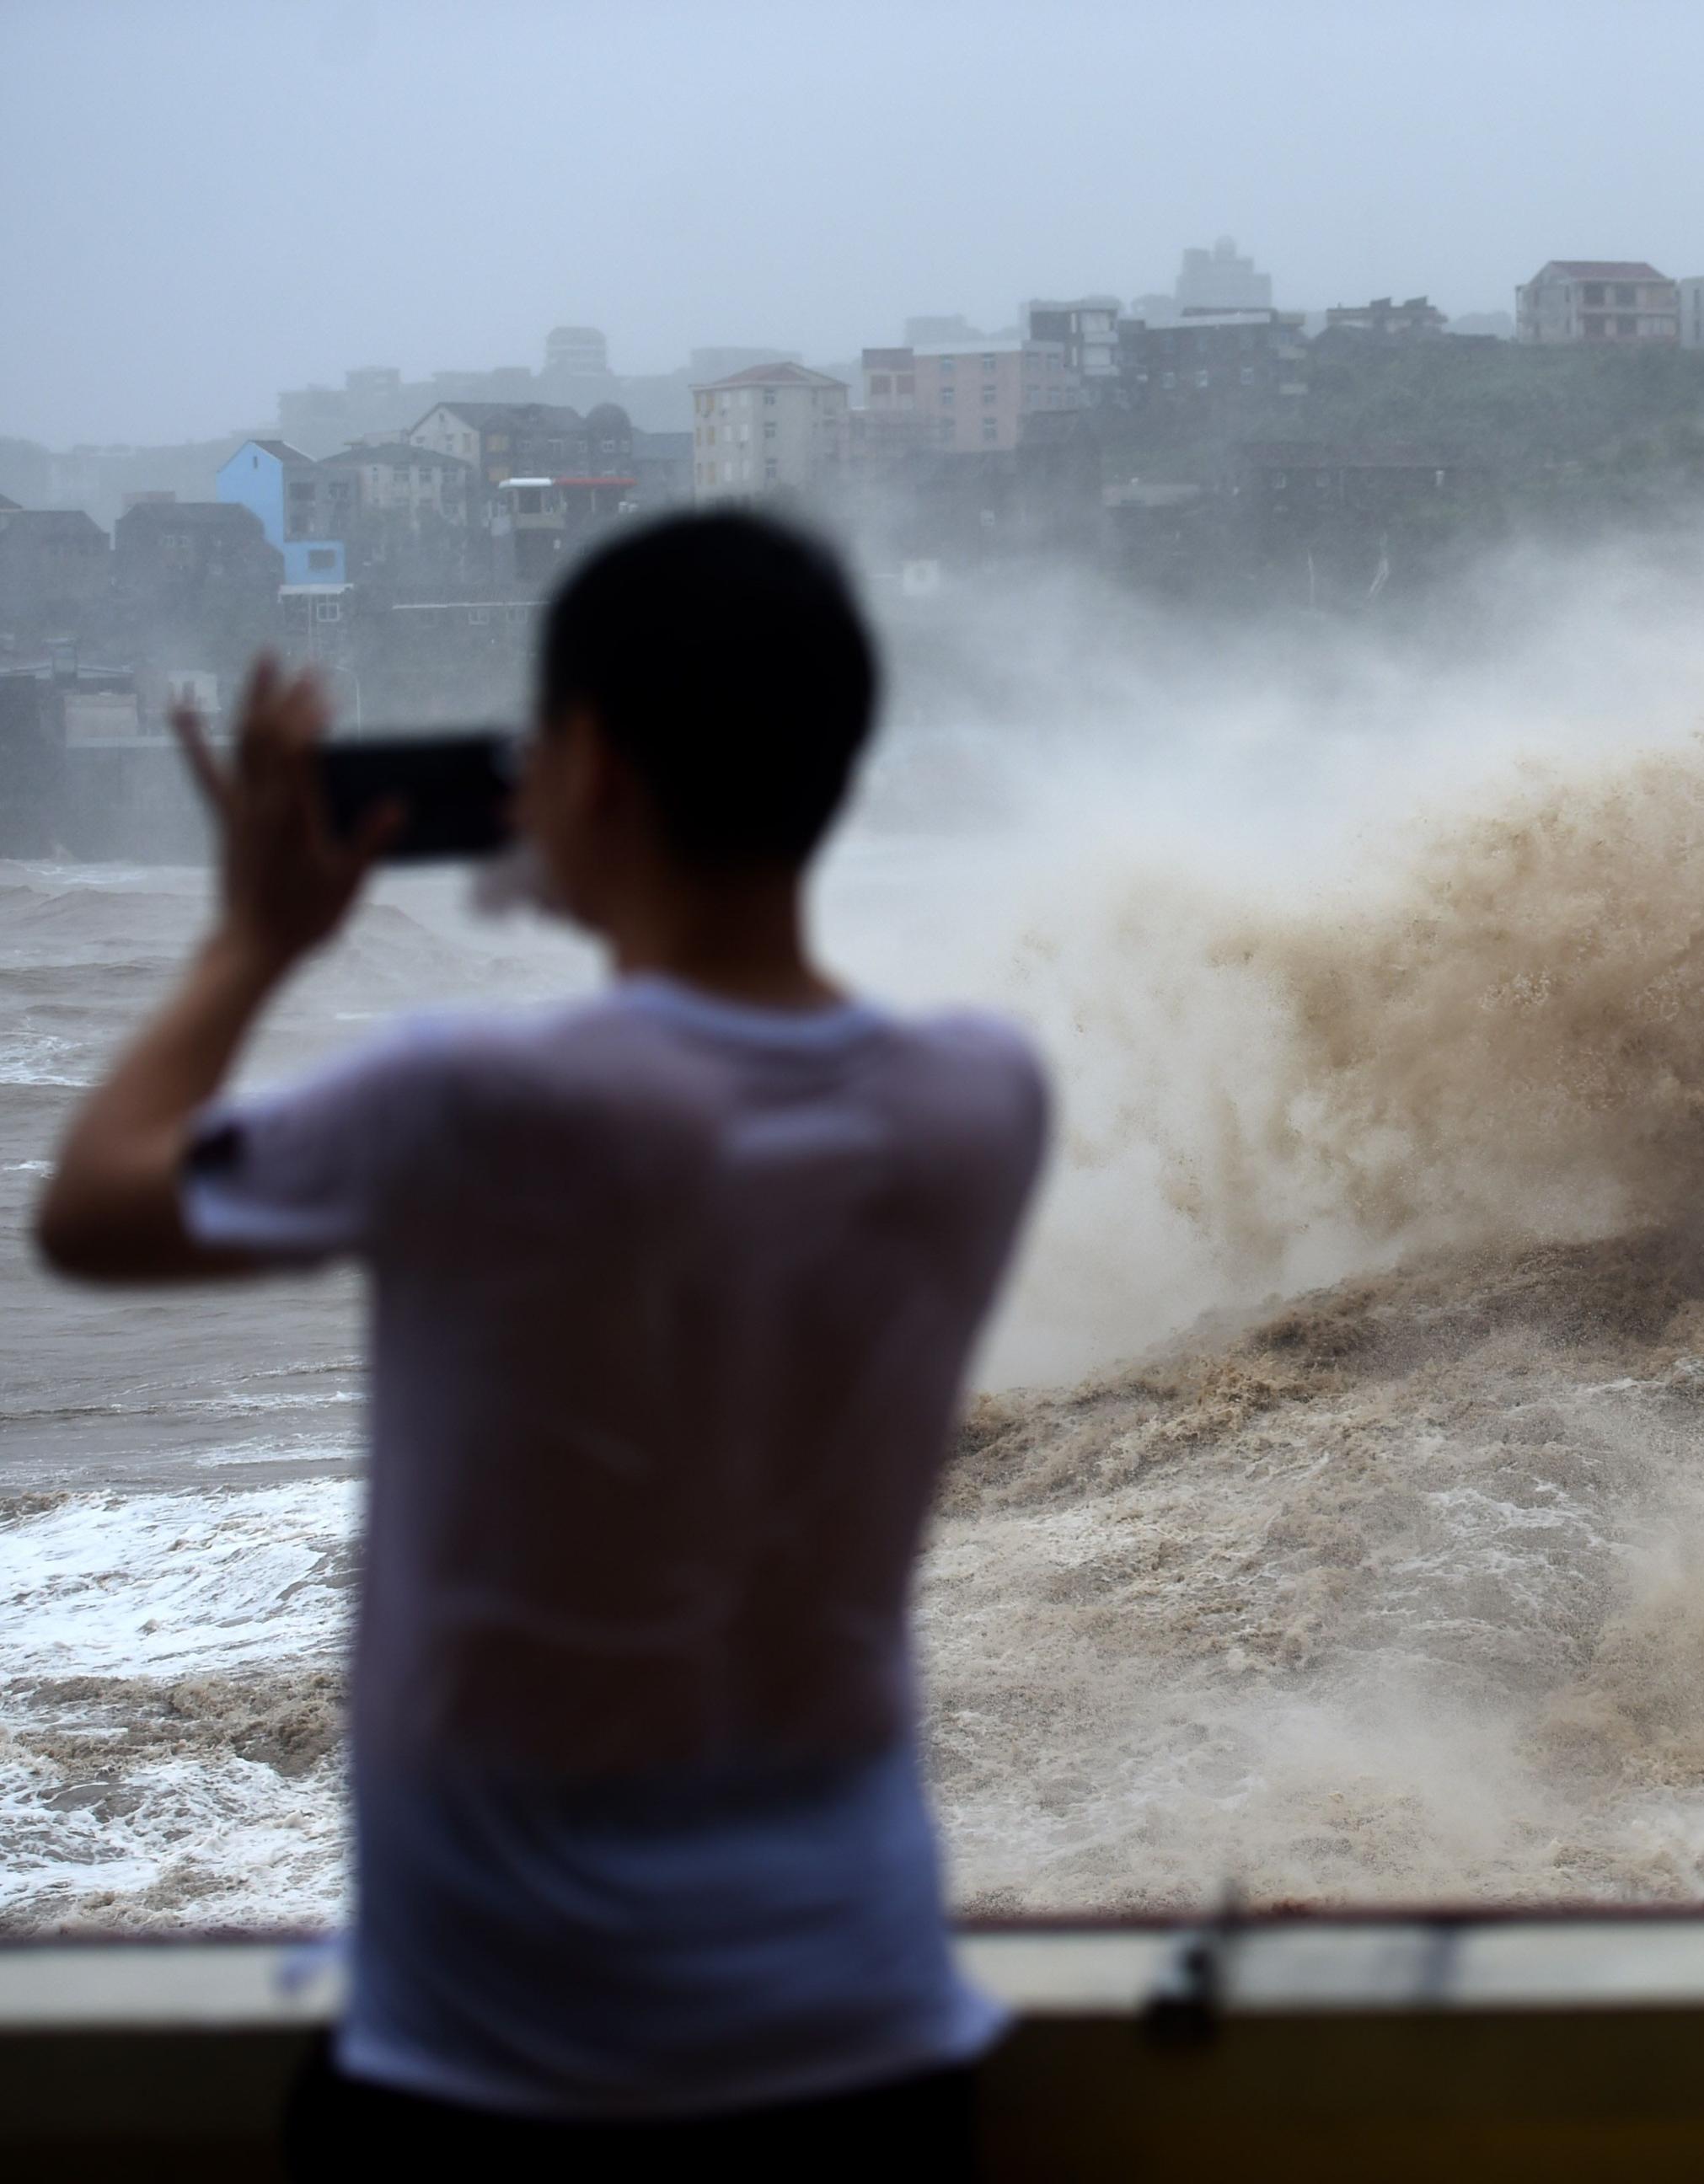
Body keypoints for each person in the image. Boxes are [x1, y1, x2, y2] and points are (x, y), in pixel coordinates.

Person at [33, 512, 1048, 2174]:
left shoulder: (472, 1105)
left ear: (584, 764)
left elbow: (92, 1209)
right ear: (837, 768)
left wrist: (252, 943)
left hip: (498, 2074)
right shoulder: (977, 1102)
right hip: (866, 2047)